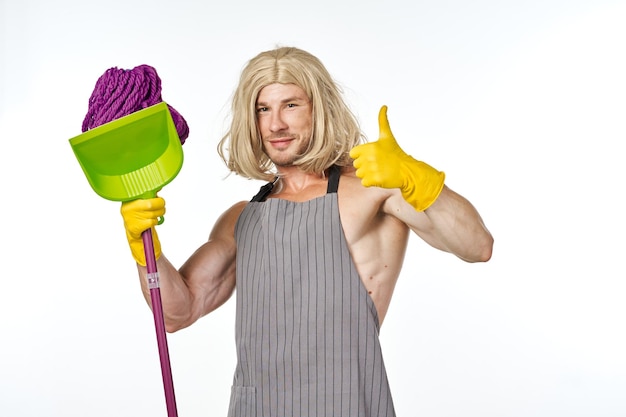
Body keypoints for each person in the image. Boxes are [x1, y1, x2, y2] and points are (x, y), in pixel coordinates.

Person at [120, 46, 493, 417]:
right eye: (263, 109)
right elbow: (176, 313)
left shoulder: (372, 192)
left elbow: (477, 246)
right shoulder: (242, 219)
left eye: (291, 105)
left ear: (320, 109)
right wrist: (143, 247)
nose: (275, 124)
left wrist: (418, 179)